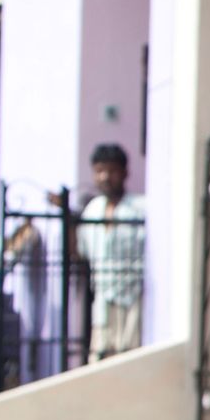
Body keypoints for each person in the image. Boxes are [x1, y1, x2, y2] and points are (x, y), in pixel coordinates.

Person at [79, 143, 146, 359]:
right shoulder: (93, 210)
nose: (106, 177)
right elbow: (82, 251)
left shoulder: (139, 209)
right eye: (100, 171)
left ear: (124, 173)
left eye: (112, 171)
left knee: (129, 356)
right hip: (103, 297)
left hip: (133, 297)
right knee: (100, 355)